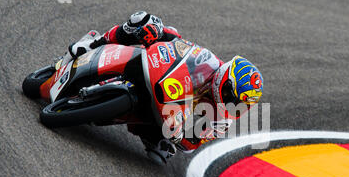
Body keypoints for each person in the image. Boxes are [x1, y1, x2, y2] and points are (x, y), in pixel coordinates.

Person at [68, 11, 264, 164]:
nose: (231, 103)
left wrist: (180, 136)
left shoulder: (223, 120)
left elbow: (191, 144)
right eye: (232, 96)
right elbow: (179, 47)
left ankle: (145, 131)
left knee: (161, 151)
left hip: (174, 113)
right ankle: (95, 42)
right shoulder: (208, 61)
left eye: (239, 103)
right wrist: (158, 36)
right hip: (166, 79)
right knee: (147, 22)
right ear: (225, 77)